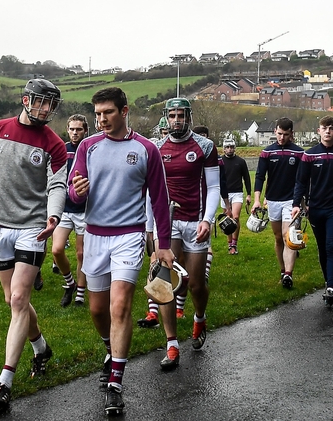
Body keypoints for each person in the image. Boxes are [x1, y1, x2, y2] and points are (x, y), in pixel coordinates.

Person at [0, 79, 67, 413]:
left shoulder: (54, 144)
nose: (46, 109)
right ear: (25, 100)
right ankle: (42, 348)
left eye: (51, 104)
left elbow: (58, 184)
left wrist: (53, 217)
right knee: (11, 300)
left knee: (20, 298)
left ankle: (4, 382)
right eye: (41, 102)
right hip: (0, 227)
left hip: (33, 228)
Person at [68, 87, 173, 415]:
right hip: (95, 235)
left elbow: (160, 199)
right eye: (97, 114)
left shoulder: (146, 150)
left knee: (120, 306)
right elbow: (73, 195)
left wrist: (164, 245)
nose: (101, 120)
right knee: (98, 310)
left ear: (124, 111)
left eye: (108, 113)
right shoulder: (87, 146)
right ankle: (109, 349)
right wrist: (77, 192)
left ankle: (115, 382)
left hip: (128, 237)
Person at [150, 98, 219, 370]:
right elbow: (150, 191)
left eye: (181, 115)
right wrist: (150, 227)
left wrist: (207, 219)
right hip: (168, 223)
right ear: (165, 118)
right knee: (163, 282)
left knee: (195, 285)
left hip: (195, 222)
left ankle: (199, 317)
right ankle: (171, 343)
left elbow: (213, 187)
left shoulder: (204, 147)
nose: (176, 120)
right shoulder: (156, 148)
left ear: (189, 117)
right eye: (172, 116)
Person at [292, 116, 333, 305]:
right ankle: (327, 279)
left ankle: (330, 287)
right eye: (324, 128)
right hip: (316, 208)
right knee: (322, 248)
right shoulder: (309, 155)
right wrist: (297, 204)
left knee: (331, 246)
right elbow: (301, 182)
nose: (328, 131)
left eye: (331, 128)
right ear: (318, 131)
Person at [252, 117, 304, 288]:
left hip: (291, 200)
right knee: (278, 238)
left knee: (287, 236)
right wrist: (257, 200)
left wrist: (303, 200)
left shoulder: (299, 153)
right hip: (273, 200)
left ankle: (289, 274)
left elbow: (303, 180)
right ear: (275, 131)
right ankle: (282, 271)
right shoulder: (267, 153)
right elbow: (260, 177)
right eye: (280, 133)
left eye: (286, 134)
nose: (282, 137)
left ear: (291, 134)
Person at [51, 114, 89, 307]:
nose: (75, 133)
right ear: (67, 129)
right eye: (72, 129)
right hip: (64, 207)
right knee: (57, 250)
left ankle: (80, 294)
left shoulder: (91, 149)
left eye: (79, 129)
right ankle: (70, 283)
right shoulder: (62, 150)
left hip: (84, 210)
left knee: (81, 254)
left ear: (85, 130)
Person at [220, 137, 252, 255]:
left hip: (237, 193)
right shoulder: (220, 161)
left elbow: (247, 178)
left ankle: (234, 243)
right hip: (225, 194)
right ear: (223, 149)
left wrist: (249, 194)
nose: (229, 149)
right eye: (227, 147)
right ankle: (229, 245)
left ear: (235, 148)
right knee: (227, 219)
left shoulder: (241, 161)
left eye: (232, 147)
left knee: (236, 217)